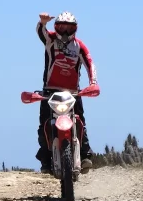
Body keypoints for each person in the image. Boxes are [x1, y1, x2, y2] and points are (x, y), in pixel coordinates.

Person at [35, 11, 97, 173]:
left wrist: (93, 83)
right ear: (56, 27)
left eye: (69, 28)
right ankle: (46, 161)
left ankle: (85, 155)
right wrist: (42, 23)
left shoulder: (79, 46)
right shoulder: (51, 40)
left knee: (80, 121)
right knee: (44, 124)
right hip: (50, 91)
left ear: (75, 29)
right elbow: (41, 33)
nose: (65, 32)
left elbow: (90, 63)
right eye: (61, 27)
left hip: (73, 92)